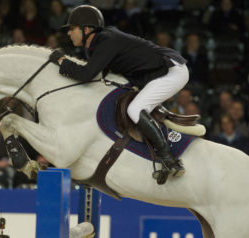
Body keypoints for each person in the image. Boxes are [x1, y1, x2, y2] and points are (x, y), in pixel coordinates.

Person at [49, 5, 188, 182]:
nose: (69, 33)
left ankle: (170, 160)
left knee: (135, 109)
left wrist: (61, 61)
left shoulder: (106, 40)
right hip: (156, 73)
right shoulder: (99, 43)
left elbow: (86, 74)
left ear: (86, 29)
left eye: (72, 29)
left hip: (172, 71)